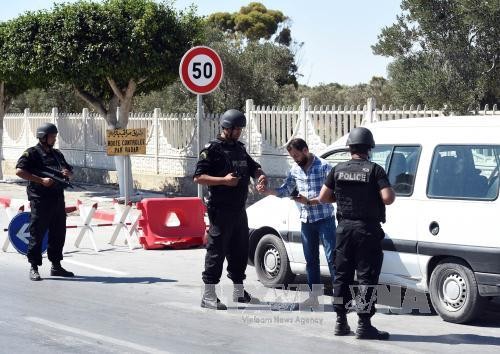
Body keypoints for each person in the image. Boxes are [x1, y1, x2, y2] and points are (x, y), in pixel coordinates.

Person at [319, 127, 395, 340]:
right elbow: (388, 198)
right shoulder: (375, 170)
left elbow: (324, 196)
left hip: (343, 230)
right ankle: (364, 324)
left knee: (342, 276)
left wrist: (343, 200)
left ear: (350, 148)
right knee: (366, 278)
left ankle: (340, 322)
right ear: (369, 148)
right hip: (367, 231)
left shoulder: (338, 169)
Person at [193, 109, 267, 310]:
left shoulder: (240, 149)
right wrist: (224, 181)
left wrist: (260, 176)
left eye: (241, 129)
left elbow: (254, 167)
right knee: (216, 252)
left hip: (239, 209)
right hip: (220, 209)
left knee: (240, 250)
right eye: (236, 129)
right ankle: (208, 295)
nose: (239, 133)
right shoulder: (212, 149)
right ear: (226, 128)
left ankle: (238, 291)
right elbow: (198, 177)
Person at [257, 138, 335, 307]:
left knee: (332, 258)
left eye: (297, 156)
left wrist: (311, 201)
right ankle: (313, 298)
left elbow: (335, 193)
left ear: (306, 150)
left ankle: (342, 298)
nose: (296, 159)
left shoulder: (324, 166)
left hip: (325, 219)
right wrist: (268, 191)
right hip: (306, 221)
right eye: (293, 157)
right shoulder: (295, 170)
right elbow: (286, 189)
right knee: (311, 260)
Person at [15, 122, 75, 281]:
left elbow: (70, 173)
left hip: (57, 200)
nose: (54, 139)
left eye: (55, 136)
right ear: (43, 137)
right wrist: (41, 180)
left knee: (58, 233)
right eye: (52, 136)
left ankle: (56, 266)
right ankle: (34, 267)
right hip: (40, 200)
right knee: (37, 234)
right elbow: (19, 171)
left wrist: (67, 173)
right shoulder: (32, 153)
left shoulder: (57, 154)